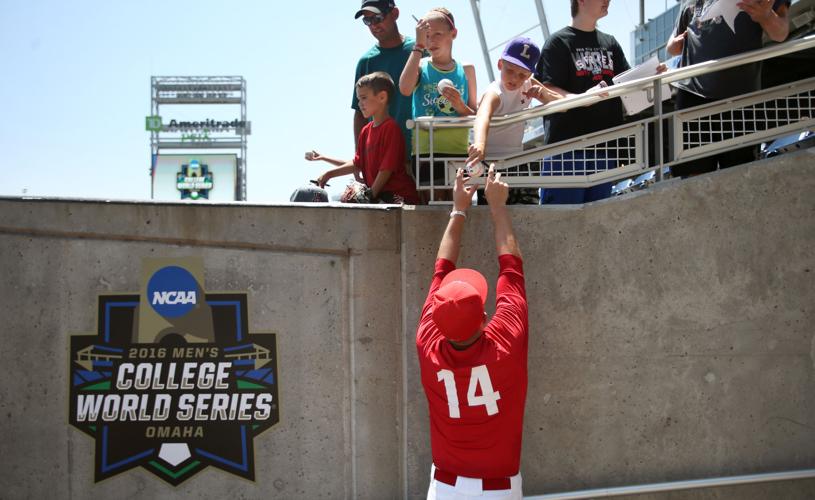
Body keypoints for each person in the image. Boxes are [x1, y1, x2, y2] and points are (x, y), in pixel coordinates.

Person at [416, 165, 529, 499]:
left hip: (445, 489)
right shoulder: (505, 342)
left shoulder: (428, 343)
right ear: (484, 317)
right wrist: (497, 206)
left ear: (438, 318)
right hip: (499, 490)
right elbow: (511, 268)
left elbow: (440, 270)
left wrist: (458, 210)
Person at [666, 0, 790, 178]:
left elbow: (780, 33)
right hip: (692, 97)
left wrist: (766, 16)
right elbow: (671, 44)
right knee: (691, 179)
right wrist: (675, 45)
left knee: (740, 175)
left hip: (739, 99)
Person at [534, 0, 631, 204]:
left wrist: (652, 74)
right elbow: (547, 89)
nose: (608, 1)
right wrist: (584, 99)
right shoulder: (558, 42)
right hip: (567, 151)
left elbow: (628, 81)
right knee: (562, 225)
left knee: (597, 227)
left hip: (605, 150)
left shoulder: (610, 42)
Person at [466, 37, 562, 204]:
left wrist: (543, 95)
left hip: (517, 160)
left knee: (527, 210)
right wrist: (480, 144)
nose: (515, 79)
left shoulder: (528, 84)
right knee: (493, 210)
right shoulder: (495, 93)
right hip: (491, 164)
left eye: (522, 75)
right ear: (500, 65)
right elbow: (483, 116)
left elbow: (561, 103)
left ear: (529, 75)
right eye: (510, 70)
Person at [399, 7, 477, 194]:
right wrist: (417, 47)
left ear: (453, 34)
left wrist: (460, 105)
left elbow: (475, 114)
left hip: (458, 151)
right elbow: (404, 88)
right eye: (426, 35)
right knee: (431, 211)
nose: (431, 40)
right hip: (426, 153)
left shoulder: (466, 70)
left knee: (457, 205)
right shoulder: (420, 66)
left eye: (437, 34)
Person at [311, 72, 420, 204]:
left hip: (399, 195)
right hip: (379, 194)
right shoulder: (365, 131)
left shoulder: (391, 128)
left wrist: (370, 195)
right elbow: (358, 164)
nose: (360, 103)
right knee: (339, 199)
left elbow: (387, 169)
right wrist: (329, 174)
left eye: (363, 98)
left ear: (382, 97)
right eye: (358, 99)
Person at [354, 0, 415, 151]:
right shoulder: (366, 62)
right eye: (367, 20)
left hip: (421, 152)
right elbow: (359, 114)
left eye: (378, 18)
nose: (373, 25)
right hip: (381, 157)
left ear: (395, 14)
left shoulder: (419, 50)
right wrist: (360, 158)